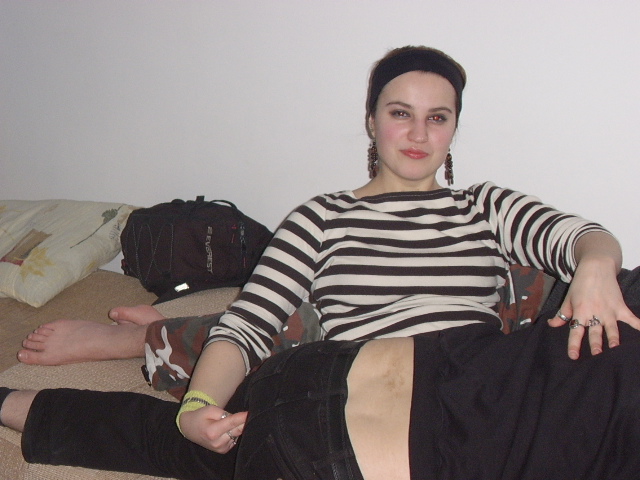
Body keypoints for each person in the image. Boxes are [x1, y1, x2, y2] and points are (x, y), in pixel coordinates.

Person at [3, 45, 640, 479]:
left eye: (438, 118)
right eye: (401, 114)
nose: (419, 134)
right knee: (205, 438)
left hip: (484, 390)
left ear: (453, 130)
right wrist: (196, 404)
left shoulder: (483, 205)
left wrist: (593, 267)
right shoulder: (322, 215)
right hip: (346, 392)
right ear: (372, 121)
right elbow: (249, 322)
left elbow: (581, 236)